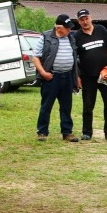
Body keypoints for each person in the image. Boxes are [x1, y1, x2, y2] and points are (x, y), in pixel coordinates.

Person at [73, 8, 107, 142]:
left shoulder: (101, 30)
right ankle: (87, 132)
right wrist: (77, 76)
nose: (85, 21)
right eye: (82, 19)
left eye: (86, 18)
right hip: (87, 76)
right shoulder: (76, 36)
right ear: (78, 21)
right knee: (88, 105)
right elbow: (74, 58)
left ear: (91, 18)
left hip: (104, 74)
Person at [33, 14, 80, 142]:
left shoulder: (71, 38)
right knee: (46, 105)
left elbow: (75, 59)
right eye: (67, 28)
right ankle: (42, 131)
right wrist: (43, 73)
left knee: (66, 106)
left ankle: (67, 132)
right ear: (59, 27)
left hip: (68, 76)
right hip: (51, 77)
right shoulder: (46, 37)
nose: (69, 30)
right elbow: (36, 57)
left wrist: (76, 77)